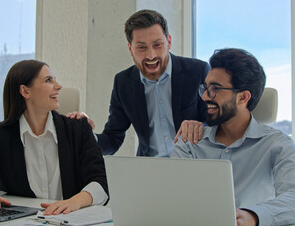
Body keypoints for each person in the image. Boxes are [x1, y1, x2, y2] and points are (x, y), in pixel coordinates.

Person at [172, 48, 295, 226]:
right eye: (205, 88)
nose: (205, 96)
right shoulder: (190, 142)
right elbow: (174, 196)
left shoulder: (278, 145)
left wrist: (253, 216)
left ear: (243, 97)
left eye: (215, 89)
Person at [0, 60, 108, 216]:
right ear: (25, 91)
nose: (58, 86)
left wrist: (74, 202)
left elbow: (101, 182)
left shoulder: (78, 129)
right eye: (48, 80)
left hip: (70, 220)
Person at [68, 9, 209, 157]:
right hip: (149, 170)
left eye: (157, 45)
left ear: (169, 42)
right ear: (130, 49)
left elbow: (218, 127)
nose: (151, 55)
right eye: (141, 47)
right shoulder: (123, 83)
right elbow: (112, 138)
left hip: (194, 164)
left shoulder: (198, 71)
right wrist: (88, 136)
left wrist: (200, 127)